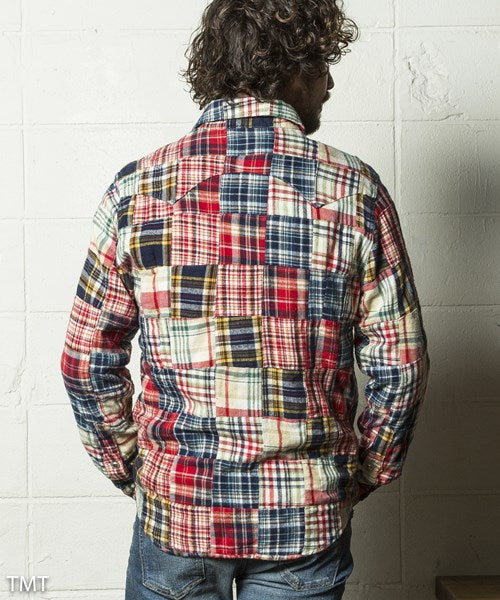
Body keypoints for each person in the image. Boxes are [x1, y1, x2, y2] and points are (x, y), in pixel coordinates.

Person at [59, 1, 431, 598]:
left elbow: (85, 362)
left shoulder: (137, 189)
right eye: (321, 64)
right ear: (288, 68)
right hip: (305, 519)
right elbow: (402, 366)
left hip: (178, 514)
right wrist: (356, 476)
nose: (330, 83)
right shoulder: (355, 191)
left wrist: (141, 473)